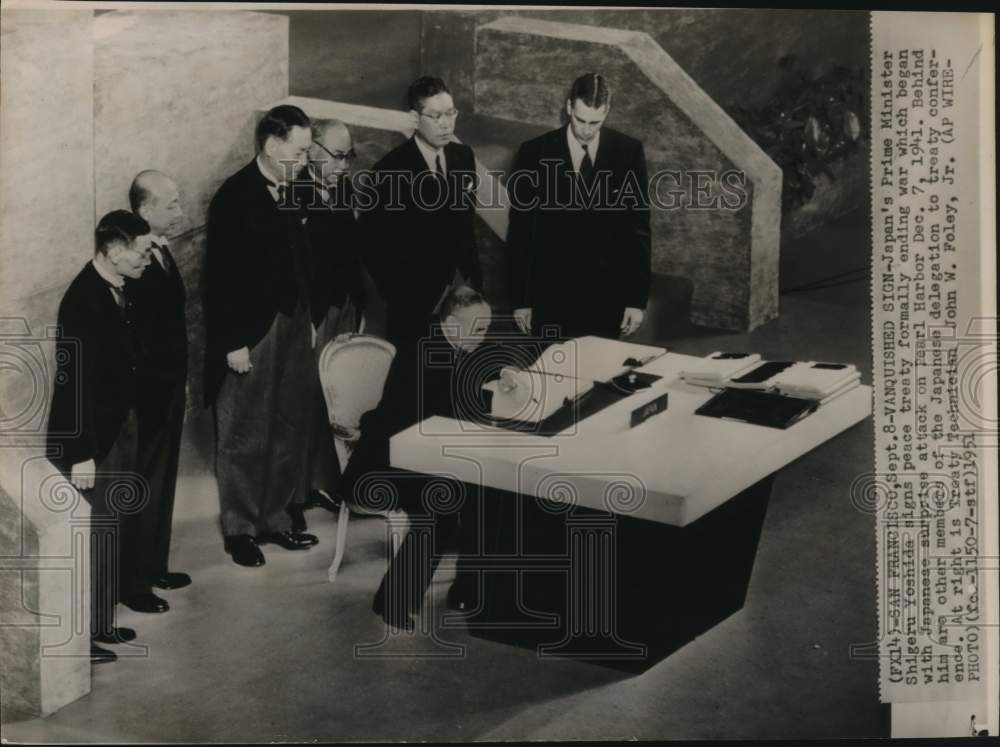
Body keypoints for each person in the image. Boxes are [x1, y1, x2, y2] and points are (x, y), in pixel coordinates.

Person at [338, 285, 495, 631]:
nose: (484, 336)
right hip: (383, 464)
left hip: (422, 457)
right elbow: (442, 412)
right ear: (451, 324)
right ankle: (392, 601)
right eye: (480, 328)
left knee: (482, 493)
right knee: (442, 510)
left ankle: (466, 588)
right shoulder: (423, 354)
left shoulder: (456, 343)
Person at [203, 104, 320, 567]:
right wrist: (232, 341)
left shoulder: (296, 184)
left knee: (288, 423)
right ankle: (241, 529)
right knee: (245, 430)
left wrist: (308, 318)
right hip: (252, 330)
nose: (306, 162)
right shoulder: (234, 198)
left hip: (294, 320)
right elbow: (219, 280)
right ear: (271, 146)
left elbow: (302, 256)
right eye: (300, 151)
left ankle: (275, 517)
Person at [46, 210, 154, 663]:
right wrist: (82, 453)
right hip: (93, 440)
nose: (148, 259)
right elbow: (73, 382)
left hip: (119, 424)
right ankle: (79, 640)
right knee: (92, 536)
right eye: (141, 252)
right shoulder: (82, 300)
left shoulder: (121, 286)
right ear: (113, 250)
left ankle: (100, 622)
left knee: (113, 527)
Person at [507, 73, 651, 341]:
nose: (586, 130)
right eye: (580, 119)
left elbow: (638, 229)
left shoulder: (628, 152)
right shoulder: (534, 152)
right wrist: (521, 300)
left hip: (607, 295)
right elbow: (522, 231)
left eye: (595, 122)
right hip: (550, 294)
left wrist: (636, 300)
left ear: (607, 112)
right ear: (569, 107)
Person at [361, 76, 482, 348]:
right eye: (436, 116)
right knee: (415, 371)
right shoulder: (388, 170)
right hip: (413, 307)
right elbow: (372, 246)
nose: (446, 123)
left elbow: (466, 224)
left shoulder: (463, 156)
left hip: (463, 295)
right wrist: (403, 295)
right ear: (415, 119)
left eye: (451, 113)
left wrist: (472, 281)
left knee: (463, 367)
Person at [288, 120, 367, 526]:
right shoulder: (293, 192)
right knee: (304, 397)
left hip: (345, 305)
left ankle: (322, 481)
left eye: (349, 156)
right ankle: (293, 493)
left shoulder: (344, 186)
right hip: (313, 313)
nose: (344, 165)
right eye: (337, 156)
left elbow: (353, 251)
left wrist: (359, 306)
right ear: (313, 149)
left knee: (333, 396)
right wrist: (307, 319)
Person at [128, 170, 191, 606]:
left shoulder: (161, 249)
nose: (180, 212)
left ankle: (154, 568)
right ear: (145, 209)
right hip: (148, 393)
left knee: (163, 480)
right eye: (171, 205)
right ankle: (134, 584)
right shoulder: (134, 259)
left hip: (169, 387)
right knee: (143, 483)